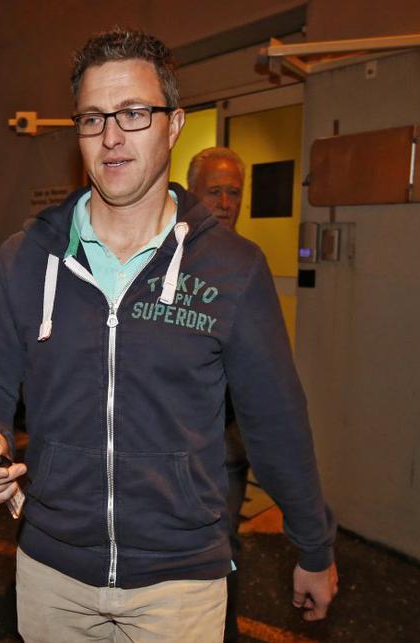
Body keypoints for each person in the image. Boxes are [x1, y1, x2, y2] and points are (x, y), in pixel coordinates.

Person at [0, 28, 338, 642]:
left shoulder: (231, 268)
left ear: (174, 124)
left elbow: (275, 420)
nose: (111, 137)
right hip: (52, 573)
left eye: (133, 113)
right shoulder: (26, 258)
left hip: (179, 583)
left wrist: (313, 545)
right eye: (92, 118)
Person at [188, 146, 250, 642]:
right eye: (215, 192)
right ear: (191, 193)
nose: (226, 203)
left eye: (234, 193)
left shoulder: (246, 266)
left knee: (223, 545)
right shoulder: (167, 259)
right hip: (177, 437)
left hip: (228, 437)